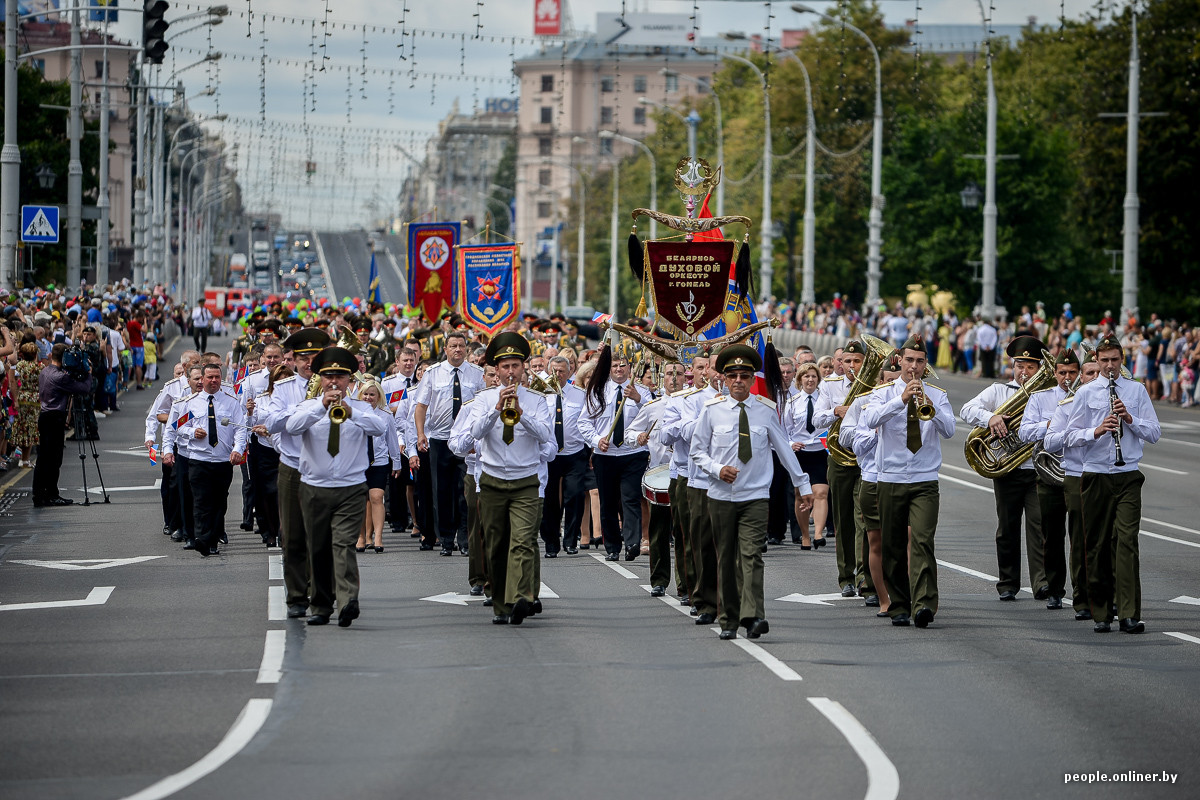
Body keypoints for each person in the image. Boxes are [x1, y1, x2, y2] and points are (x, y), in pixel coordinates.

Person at [690, 345, 813, 640]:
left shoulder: (765, 410)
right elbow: (697, 452)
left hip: (755, 495)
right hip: (721, 496)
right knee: (726, 558)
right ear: (724, 379)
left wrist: (803, 485)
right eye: (733, 375)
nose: (739, 381)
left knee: (751, 555)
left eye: (745, 375)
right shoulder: (712, 411)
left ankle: (754, 615)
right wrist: (717, 469)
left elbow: (784, 450)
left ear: (751, 378)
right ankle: (729, 620)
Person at [1061, 335, 1161, 633]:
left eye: (1114, 360)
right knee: (1098, 545)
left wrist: (1129, 418)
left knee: (1127, 541)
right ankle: (1101, 612)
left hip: (1128, 474)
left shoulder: (1136, 390)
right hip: (1096, 475)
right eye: (1103, 361)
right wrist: (1096, 430)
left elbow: (1154, 432)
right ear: (1098, 361)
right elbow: (1068, 436)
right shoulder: (1086, 392)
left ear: (1122, 360)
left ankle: (1129, 613)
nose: (1109, 366)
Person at [284, 346, 389, 627]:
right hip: (314, 487)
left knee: (343, 544)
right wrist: (321, 407)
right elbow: (292, 427)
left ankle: (347, 601)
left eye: (340, 377)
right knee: (317, 547)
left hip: (351, 488)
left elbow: (379, 428)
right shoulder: (308, 406)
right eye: (329, 376)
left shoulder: (363, 408)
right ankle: (320, 604)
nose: (334, 382)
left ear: (349, 381)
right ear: (320, 378)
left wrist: (351, 411)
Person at [861, 337, 955, 628]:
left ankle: (924, 603)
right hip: (889, 478)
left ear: (926, 364)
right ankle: (899, 604)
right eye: (910, 360)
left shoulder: (937, 395)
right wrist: (900, 400)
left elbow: (950, 430)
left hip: (925, 479)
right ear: (900, 360)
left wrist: (932, 409)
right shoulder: (883, 392)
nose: (914, 366)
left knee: (923, 540)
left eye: (920, 361)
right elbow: (869, 420)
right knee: (892, 544)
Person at [468, 332, 554, 625]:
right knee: (496, 544)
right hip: (492, 481)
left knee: (522, 540)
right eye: (505, 367)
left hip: (526, 481)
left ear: (524, 367)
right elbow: (474, 434)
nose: (510, 372)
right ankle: (502, 606)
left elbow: (547, 437)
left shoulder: (537, 400)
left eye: (516, 366)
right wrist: (496, 411)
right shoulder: (483, 400)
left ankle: (520, 597)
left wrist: (522, 414)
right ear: (497, 369)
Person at [959, 335, 1047, 601]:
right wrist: (991, 417)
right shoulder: (999, 392)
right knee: (1007, 529)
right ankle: (1008, 583)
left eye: (1030, 366)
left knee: (1039, 528)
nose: (1024, 371)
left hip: (1037, 469)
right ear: (1013, 366)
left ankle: (1042, 582)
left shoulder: (1046, 394)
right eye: (1020, 365)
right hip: (1007, 470)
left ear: (1039, 368)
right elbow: (966, 409)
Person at [263, 328, 332, 618]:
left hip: (323, 467)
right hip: (292, 466)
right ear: (294, 360)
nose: (308, 362)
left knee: (322, 535)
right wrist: (304, 410)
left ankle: (322, 597)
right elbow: (273, 422)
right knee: (291, 535)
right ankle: (296, 597)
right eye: (303, 357)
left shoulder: (333, 386)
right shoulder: (284, 388)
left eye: (314, 356)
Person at [162, 364, 248, 556]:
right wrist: (192, 432)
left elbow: (240, 429)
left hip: (222, 460)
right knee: (201, 500)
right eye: (209, 377)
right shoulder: (193, 403)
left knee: (219, 501)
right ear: (202, 379)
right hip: (198, 459)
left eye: (217, 377)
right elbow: (178, 427)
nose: (214, 381)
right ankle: (202, 539)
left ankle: (212, 538)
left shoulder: (230, 402)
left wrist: (237, 450)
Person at [1017, 349, 1081, 610]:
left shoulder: (1085, 396)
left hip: (1078, 472)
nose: (1067, 377)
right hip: (1049, 474)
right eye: (1062, 372)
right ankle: (1055, 589)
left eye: (1072, 373)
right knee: (1051, 534)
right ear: (1055, 374)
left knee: (1080, 535)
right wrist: (1050, 425)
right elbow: (1024, 432)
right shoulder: (1041, 398)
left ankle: (1082, 591)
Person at [412, 330, 484, 556]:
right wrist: (421, 433)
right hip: (440, 439)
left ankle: (465, 539)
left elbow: (483, 406)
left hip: (466, 441)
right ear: (445, 349)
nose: (457, 350)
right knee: (441, 492)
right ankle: (445, 539)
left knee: (465, 492)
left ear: (466, 349)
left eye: (461, 346)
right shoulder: (433, 373)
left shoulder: (477, 373)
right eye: (453, 346)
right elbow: (421, 406)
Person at [1043, 351, 1102, 620]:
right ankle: (1082, 598)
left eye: (1099, 372)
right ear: (1082, 376)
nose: (1096, 378)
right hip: (1078, 475)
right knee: (1080, 538)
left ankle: (1108, 596)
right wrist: (1081, 433)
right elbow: (1050, 442)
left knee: (1109, 539)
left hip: (1109, 475)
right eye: (1090, 373)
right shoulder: (1068, 404)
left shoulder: (1115, 402)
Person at [579, 348, 650, 562]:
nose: (619, 369)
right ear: (609, 369)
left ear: (630, 368)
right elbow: (584, 422)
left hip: (633, 453)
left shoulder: (642, 391)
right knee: (608, 501)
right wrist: (595, 440)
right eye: (614, 366)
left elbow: (652, 417)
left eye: (623, 365)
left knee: (630, 498)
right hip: (606, 454)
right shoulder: (597, 390)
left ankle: (633, 542)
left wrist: (638, 400)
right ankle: (612, 546)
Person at [813, 340, 869, 597]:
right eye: (847, 361)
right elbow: (815, 419)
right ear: (840, 363)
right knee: (843, 518)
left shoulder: (872, 385)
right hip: (839, 457)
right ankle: (845, 576)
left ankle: (865, 576)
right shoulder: (829, 385)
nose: (851, 366)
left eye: (857, 361)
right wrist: (836, 410)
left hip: (866, 457)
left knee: (865, 518)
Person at [626, 360, 685, 595]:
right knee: (658, 531)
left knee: (682, 532)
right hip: (660, 475)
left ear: (685, 377)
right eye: (669, 373)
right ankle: (659, 580)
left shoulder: (693, 405)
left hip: (685, 475)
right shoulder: (653, 407)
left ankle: (684, 584)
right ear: (662, 377)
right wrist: (638, 436)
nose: (674, 378)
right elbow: (629, 432)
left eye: (679, 374)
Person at [32, 342, 93, 507]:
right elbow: (84, 388)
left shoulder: (45, 371)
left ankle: (39, 494)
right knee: (54, 458)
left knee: (43, 457)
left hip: (44, 416)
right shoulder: (61, 377)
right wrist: (88, 373)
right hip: (55, 418)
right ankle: (51, 494)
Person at [539, 355, 589, 557]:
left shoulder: (580, 394)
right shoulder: (541, 394)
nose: (557, 375)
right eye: (554, 371)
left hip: (574, 452)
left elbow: (588, 421)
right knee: (549, 499)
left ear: (569, 373)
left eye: (561, 371)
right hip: (549, 454)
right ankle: (551, 542)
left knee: (575, 496)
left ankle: (571, 540)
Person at [354, 378, 400, 554]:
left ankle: (378, 537)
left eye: (372, 394)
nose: (368, 397)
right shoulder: (354, 413)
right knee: (360, 499)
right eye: (365, 394)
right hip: (358, 462)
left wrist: (396, 462)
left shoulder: (385, 415)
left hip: (379, 461)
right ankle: (361, 537)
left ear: (378, 396)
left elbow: (392, 441)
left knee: (376, 496)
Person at [787, 362, 829, 550]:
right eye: (806, 376)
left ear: (818, 380)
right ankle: (805, 535)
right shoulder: (792, 402)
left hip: (819, 451)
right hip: (800, 453)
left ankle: (818, 533)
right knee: (800, 496)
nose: (810, 380)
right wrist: (790, 444)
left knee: (821, 493)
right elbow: (784, 430)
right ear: (799, 380)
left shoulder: (824, 400)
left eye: (813, 376)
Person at [10, 343, 44, 467]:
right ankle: (25, 459)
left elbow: (12, 382)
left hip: (21, 396)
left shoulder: (18, 366)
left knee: (21, 427)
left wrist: (15, 400)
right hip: (35, 398)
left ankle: (20, 455)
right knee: (31, 428)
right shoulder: (40, 367)